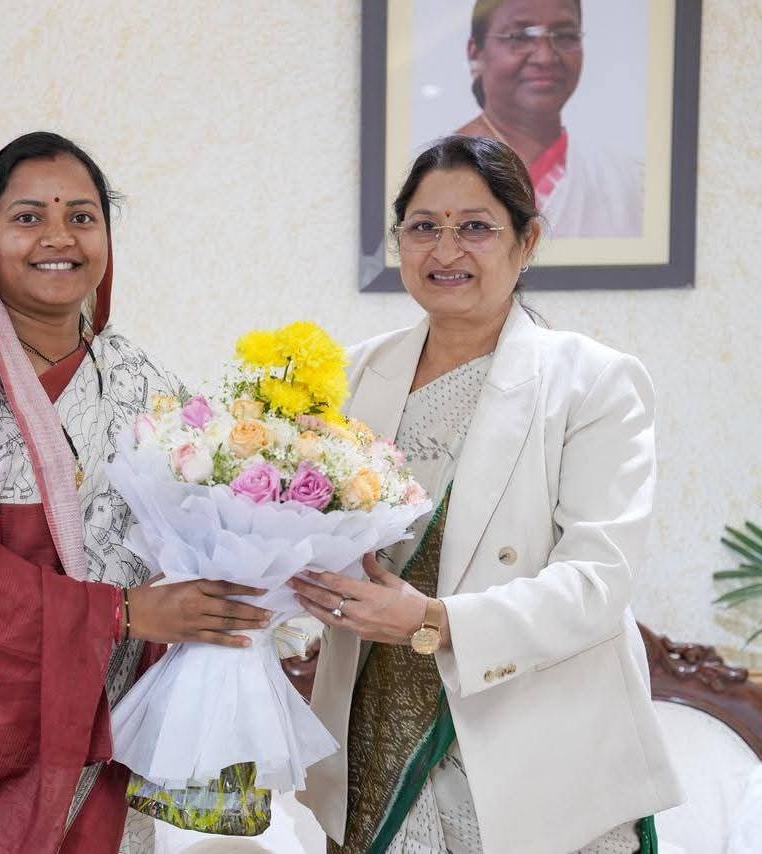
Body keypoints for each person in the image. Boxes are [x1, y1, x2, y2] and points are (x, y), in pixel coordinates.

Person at [0, 131, 271, 853]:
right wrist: (120, 612)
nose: (58, 238)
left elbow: (202, 531)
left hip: (101, 741)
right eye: (27, 217)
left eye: (81, 216)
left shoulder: (142, 384)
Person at [291, 135, 682, 853]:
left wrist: (433, 621)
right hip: (376, 747)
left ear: (525, 241)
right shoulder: (350, 378)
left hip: (534, 751)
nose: (446, 251)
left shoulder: (592, 382)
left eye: (474, 226)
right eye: (423, 227)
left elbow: (596, 583)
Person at [455, 0, 643, 238]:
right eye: (520, 37)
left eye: (564, 36)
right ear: (476, 54)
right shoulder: (437, 172)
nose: (545, 57)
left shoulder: (625, 182)